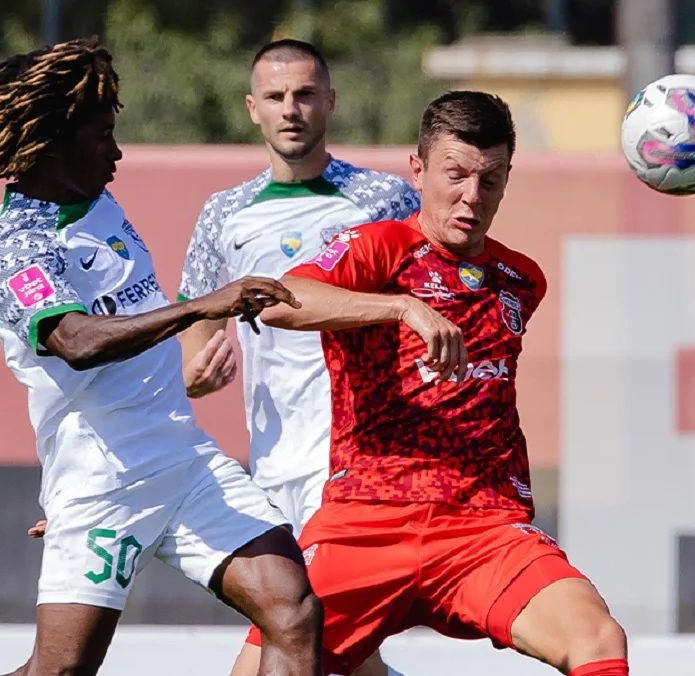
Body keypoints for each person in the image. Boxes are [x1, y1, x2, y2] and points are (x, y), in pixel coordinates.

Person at [0, 37, 323, 676]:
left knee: (293, 612)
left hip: (183, 459)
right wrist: (202, 307)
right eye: (103, 135)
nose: (117, 151)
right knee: (60, 671)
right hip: (103, 480)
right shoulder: (12, 244)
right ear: (54, 143)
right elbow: (75, 343)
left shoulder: (97, 202)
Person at [242, 90, 632, 676]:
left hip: (484, 525)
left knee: (598, 638)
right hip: (366, 519)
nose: (472, 196)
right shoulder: (379, 249)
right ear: (418, 170)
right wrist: (402, 307)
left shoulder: (520, 279)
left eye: (490, 180)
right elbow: (278, 303)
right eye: (456, 175)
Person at [175, 38, 419, 676]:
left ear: (330, 102)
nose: (291, 109)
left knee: (296, 632)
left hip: (353, 458)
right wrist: (200, 378)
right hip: (270, 458)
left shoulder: (385, 201)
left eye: (305, 94)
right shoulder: (224, 214)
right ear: (252, 108)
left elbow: (430, 301)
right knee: (327, 645)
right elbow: (195, 346)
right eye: (277, 96)